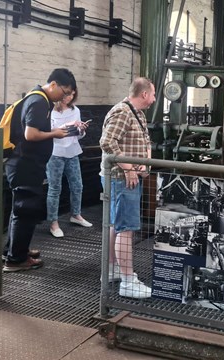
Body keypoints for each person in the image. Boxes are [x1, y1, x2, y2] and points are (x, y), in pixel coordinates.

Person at [2, 68, 76, 272]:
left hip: (25, 165)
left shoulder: (39, 99)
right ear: (53, 85)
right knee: (25, 211)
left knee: (20, 210)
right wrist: (55, 134)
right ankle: (16, 260)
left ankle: (14, 250)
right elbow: (31, 134)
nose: (65, 96)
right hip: (25, 165)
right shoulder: (39, 101)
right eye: (65, 91)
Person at [100, 77, 155, 299]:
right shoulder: (122, 112)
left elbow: (146, 143)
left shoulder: (137, 113)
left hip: (129, 177)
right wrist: (129, 168)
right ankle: (128, 281)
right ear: (144, 94)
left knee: (116, 224)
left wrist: (146, 163)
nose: (153, 99)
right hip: (122, 179)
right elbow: (107, 141)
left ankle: (113, 269)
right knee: (127, 228)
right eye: (152, 95)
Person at [46, 88, 92, 238]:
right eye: (68, 94)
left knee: (77, 185)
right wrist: (68, 125)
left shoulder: (75, 110)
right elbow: (50, 133)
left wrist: (81, 130)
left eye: (73, 94)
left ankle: (76, 215)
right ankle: (53, 223)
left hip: (72, 152)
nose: (70, 97)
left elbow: (77, 136)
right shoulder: (50, 111)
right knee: (54, 189)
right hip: (55, 153)